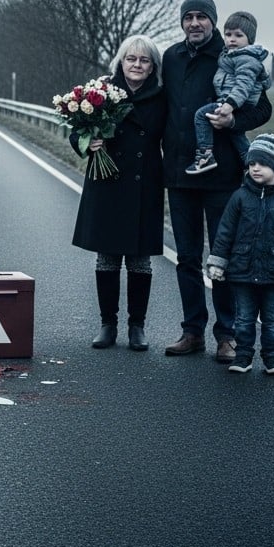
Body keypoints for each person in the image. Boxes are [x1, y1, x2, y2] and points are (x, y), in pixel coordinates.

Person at [161, 0, 274, 363]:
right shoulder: (171, 58)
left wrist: (233, 121)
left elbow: (262, 108)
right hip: (180, 175)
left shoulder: (229, 54)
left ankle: (227, 336)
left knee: (222, 258)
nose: (195, 23)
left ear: (213, 22)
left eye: (202, 18)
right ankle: (192, 332)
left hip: (222, 178)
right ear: (182, 22)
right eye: (189, 17)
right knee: (187, 259)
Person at [71, 35, 167, 351]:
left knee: (140, 260)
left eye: (144, 60)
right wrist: (89, 143)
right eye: (131, 59)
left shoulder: (162, 95)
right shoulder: (102, 92)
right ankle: (107, 324)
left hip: (145, 183)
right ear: (121, 61)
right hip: (108, 181)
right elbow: (77, 131)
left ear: (152, 66)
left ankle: (136, 327)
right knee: (108, 257)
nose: (137, 65)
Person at [206, 134, 274, 374]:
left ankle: (273, 358)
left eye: (263, 164)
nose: (255, 168)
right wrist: (218, 263)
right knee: (244, 320)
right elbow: (225, 233)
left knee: (272, 321)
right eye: (252, 163)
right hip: (242, 271)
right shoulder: (239, 197)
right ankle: (243, 356)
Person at [186, 11, 271, 174]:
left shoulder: (246, 59)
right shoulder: (229, 55)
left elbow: (243, 85)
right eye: (228, 34)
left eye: (239, 35)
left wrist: (230, 105)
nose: (232, 39)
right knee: (237, 135)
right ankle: (250, 162)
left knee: (201, 116)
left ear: (249, 39)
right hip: (232, 101)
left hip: (232, 102)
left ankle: (205, 155)